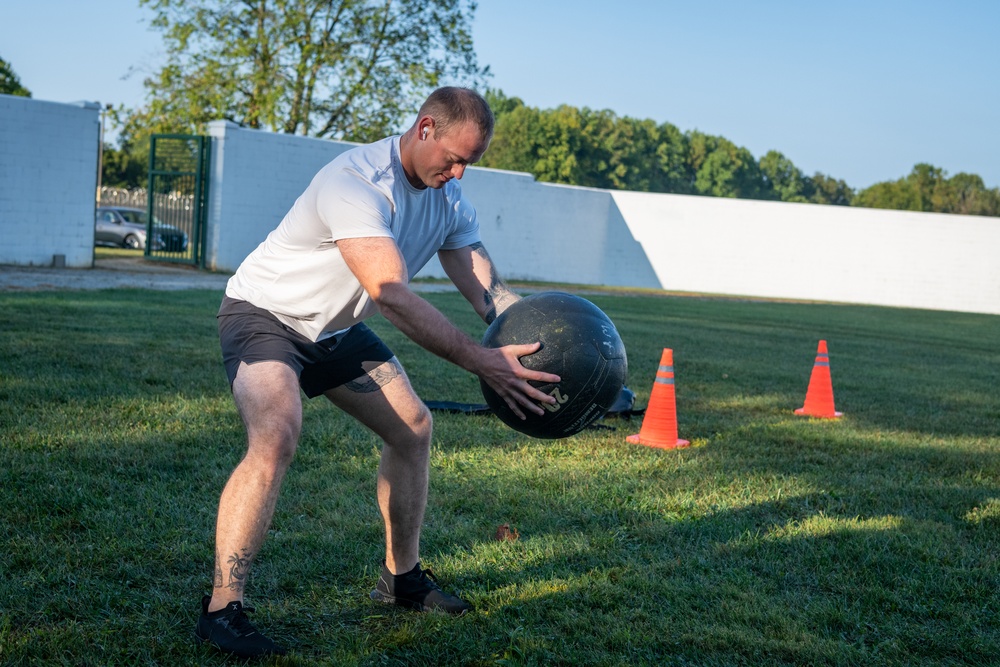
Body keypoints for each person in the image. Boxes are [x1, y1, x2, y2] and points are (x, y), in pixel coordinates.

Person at [194, 87, 561, 658]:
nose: (460, 172)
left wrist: (531, 337)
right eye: (455, 157)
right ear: (425, 129)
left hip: (335, 331)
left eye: (471, 162)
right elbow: (390, 295)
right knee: (276, 434)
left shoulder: (448, 197)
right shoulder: (357, 182)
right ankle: (222, 607)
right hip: (264, 316)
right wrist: (482, 360)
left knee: (412, 426)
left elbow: (485, 284)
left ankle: (402, 580)